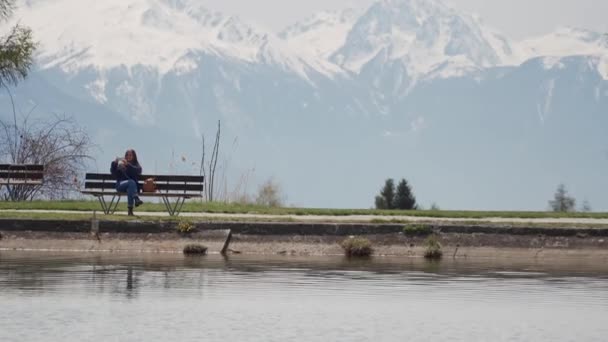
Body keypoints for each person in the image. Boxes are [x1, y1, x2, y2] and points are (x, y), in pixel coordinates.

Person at [110, 149, 143, 216]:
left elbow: (138, 171)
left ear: (134, 156)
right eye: (127, 155)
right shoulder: (121, 164)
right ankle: (136, 198)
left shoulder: (136, 165)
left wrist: (128, 165)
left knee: (130, 188)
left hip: (131, 188)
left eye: (130, 155)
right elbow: (114, 174)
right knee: (131, 182)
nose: (128, 156)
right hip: (120, 185)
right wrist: (114, 164)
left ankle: (130, 211)